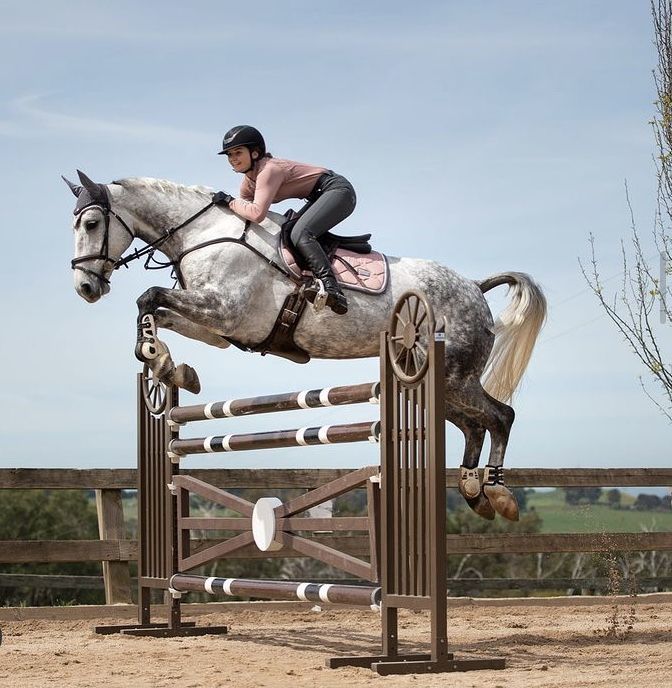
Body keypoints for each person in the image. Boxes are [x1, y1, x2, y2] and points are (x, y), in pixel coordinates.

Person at [212, 125, 355, 315]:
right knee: (288, 231)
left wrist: (229, 201)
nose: (233, 159)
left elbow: (256, 213)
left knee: (301, 233)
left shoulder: (269, 169)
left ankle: (332, 288)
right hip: (318, 197)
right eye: (229, 155)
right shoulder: (248, 183)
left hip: (337, 190)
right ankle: (310, 277)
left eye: (238, 152)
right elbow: (245, 216)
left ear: (255, 153)